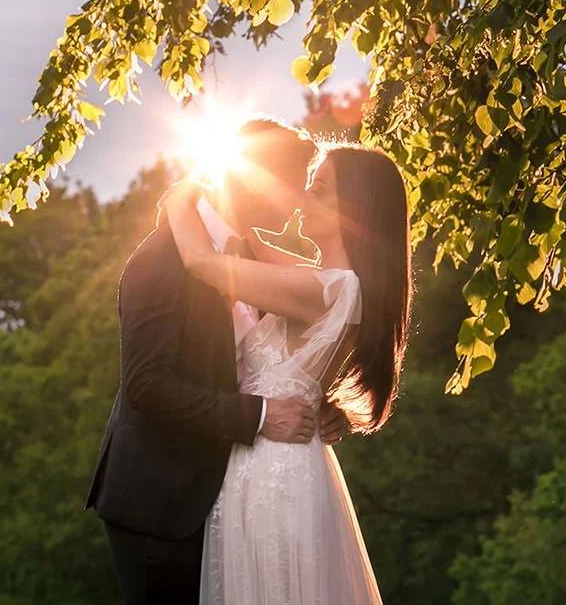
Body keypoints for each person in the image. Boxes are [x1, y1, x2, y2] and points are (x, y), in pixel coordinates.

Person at [86, 119, 350, 605]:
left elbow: (267, 360)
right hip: (160, 508)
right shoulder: (162, 257)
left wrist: (318, 407)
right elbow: (148, 386)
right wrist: (265, 415)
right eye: (295, 185)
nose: (297, 203)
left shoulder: (248, 260)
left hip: (229, 502)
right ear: (256, 180)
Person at [161, 140, 412, 605]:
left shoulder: (331, 288)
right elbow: (250, 246)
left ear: (354, 208)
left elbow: (203, 262)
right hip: (272, 464)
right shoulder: (333, 282)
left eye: (318, 189)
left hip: (273, 473)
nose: (302, 197)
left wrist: (178, 196)